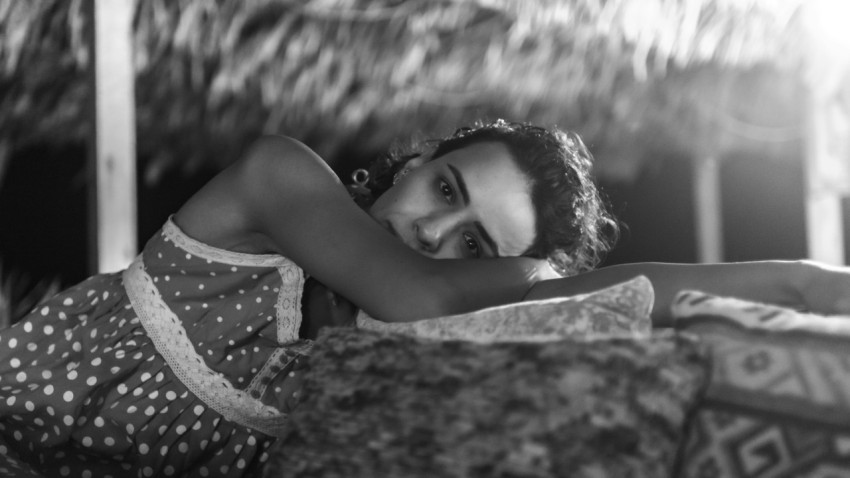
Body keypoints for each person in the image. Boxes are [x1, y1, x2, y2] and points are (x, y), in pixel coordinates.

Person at [0, 119, 847, 478]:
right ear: (411, 165)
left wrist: (811, 289)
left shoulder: (369, 349)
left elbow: (653, 293)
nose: (439, 232)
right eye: (445, 190)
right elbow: (422, 292)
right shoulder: (278, 178)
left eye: (476, 241)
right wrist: (540, 273)